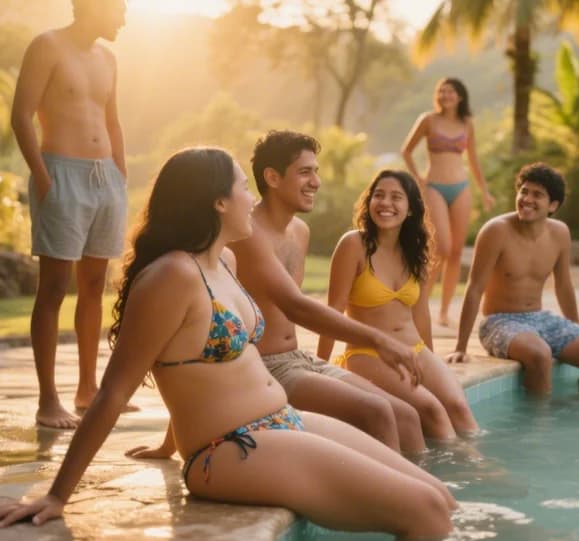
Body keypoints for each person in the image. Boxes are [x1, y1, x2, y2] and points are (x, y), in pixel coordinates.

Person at [0, 147, 455, 538]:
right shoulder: (172, 276)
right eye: (244, 188)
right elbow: (115, 391)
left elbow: (197, 366)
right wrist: (57, 495)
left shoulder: (223, 261)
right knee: (426, 515)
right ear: (218, 202)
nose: (251, 198)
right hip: (229, 448)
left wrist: (166, 443)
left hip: (281, 421)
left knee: (442, 498)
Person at [131, 131, 426, 456]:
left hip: (298, 358)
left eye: (316, 171)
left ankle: (428, 485)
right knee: (377, 411)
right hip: (265, 366)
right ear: (272, 177)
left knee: (407, 416)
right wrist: (379, 341)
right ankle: (386, 487)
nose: (316, 182)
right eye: (305, 172)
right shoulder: (246, 232)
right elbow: (293, 307)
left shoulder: (300, 231)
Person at [12, 0, 131, 429]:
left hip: (105, 179)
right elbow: (21, 115)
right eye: (119, 8)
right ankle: (48, 400)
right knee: (54, 288)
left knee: (95, 285)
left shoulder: (108, 58)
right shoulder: (47, 46)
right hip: (61, 175)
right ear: (96, 4)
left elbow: (112, 121)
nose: (123, 19)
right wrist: (44, 178)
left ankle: (88, 389)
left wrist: (119, 175)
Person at [319, 170, 479, 441]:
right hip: (368, 353)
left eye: (396, 197)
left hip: (413, 349)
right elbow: (332, 311)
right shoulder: (354, 245)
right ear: (369, 202)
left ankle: (477, 462)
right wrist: (320, 367)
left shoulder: (414, 252)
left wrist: (430, 363)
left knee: (458, 407)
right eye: (379, 195)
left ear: (410, 208)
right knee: (432, 411)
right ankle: (460, 467)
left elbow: (421, 315)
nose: (385, 203)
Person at [447, 163, 579, 394]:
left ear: (553, 205)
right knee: (540, 355)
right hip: (499, 322)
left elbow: (564, 286)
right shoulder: (496, 231)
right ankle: (540, 416)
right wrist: (461, 346)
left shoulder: (560, 233)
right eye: (524, 191)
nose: (527, 199)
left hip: (539, 317)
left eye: (537, 195)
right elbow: (474, 288)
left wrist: (576, 329)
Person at [401, 78, 495, 327]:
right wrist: (418, 179)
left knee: (455, 252)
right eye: (441, 91)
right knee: (441, 247)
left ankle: (443, 312)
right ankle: (420, 306)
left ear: (460, 96)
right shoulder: (428, 120)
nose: (445, 95)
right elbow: (406, 150)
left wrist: (485, 191)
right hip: (434, 187)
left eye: (450, 91)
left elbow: (473, 159)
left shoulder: (467, 123)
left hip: (461, 187)